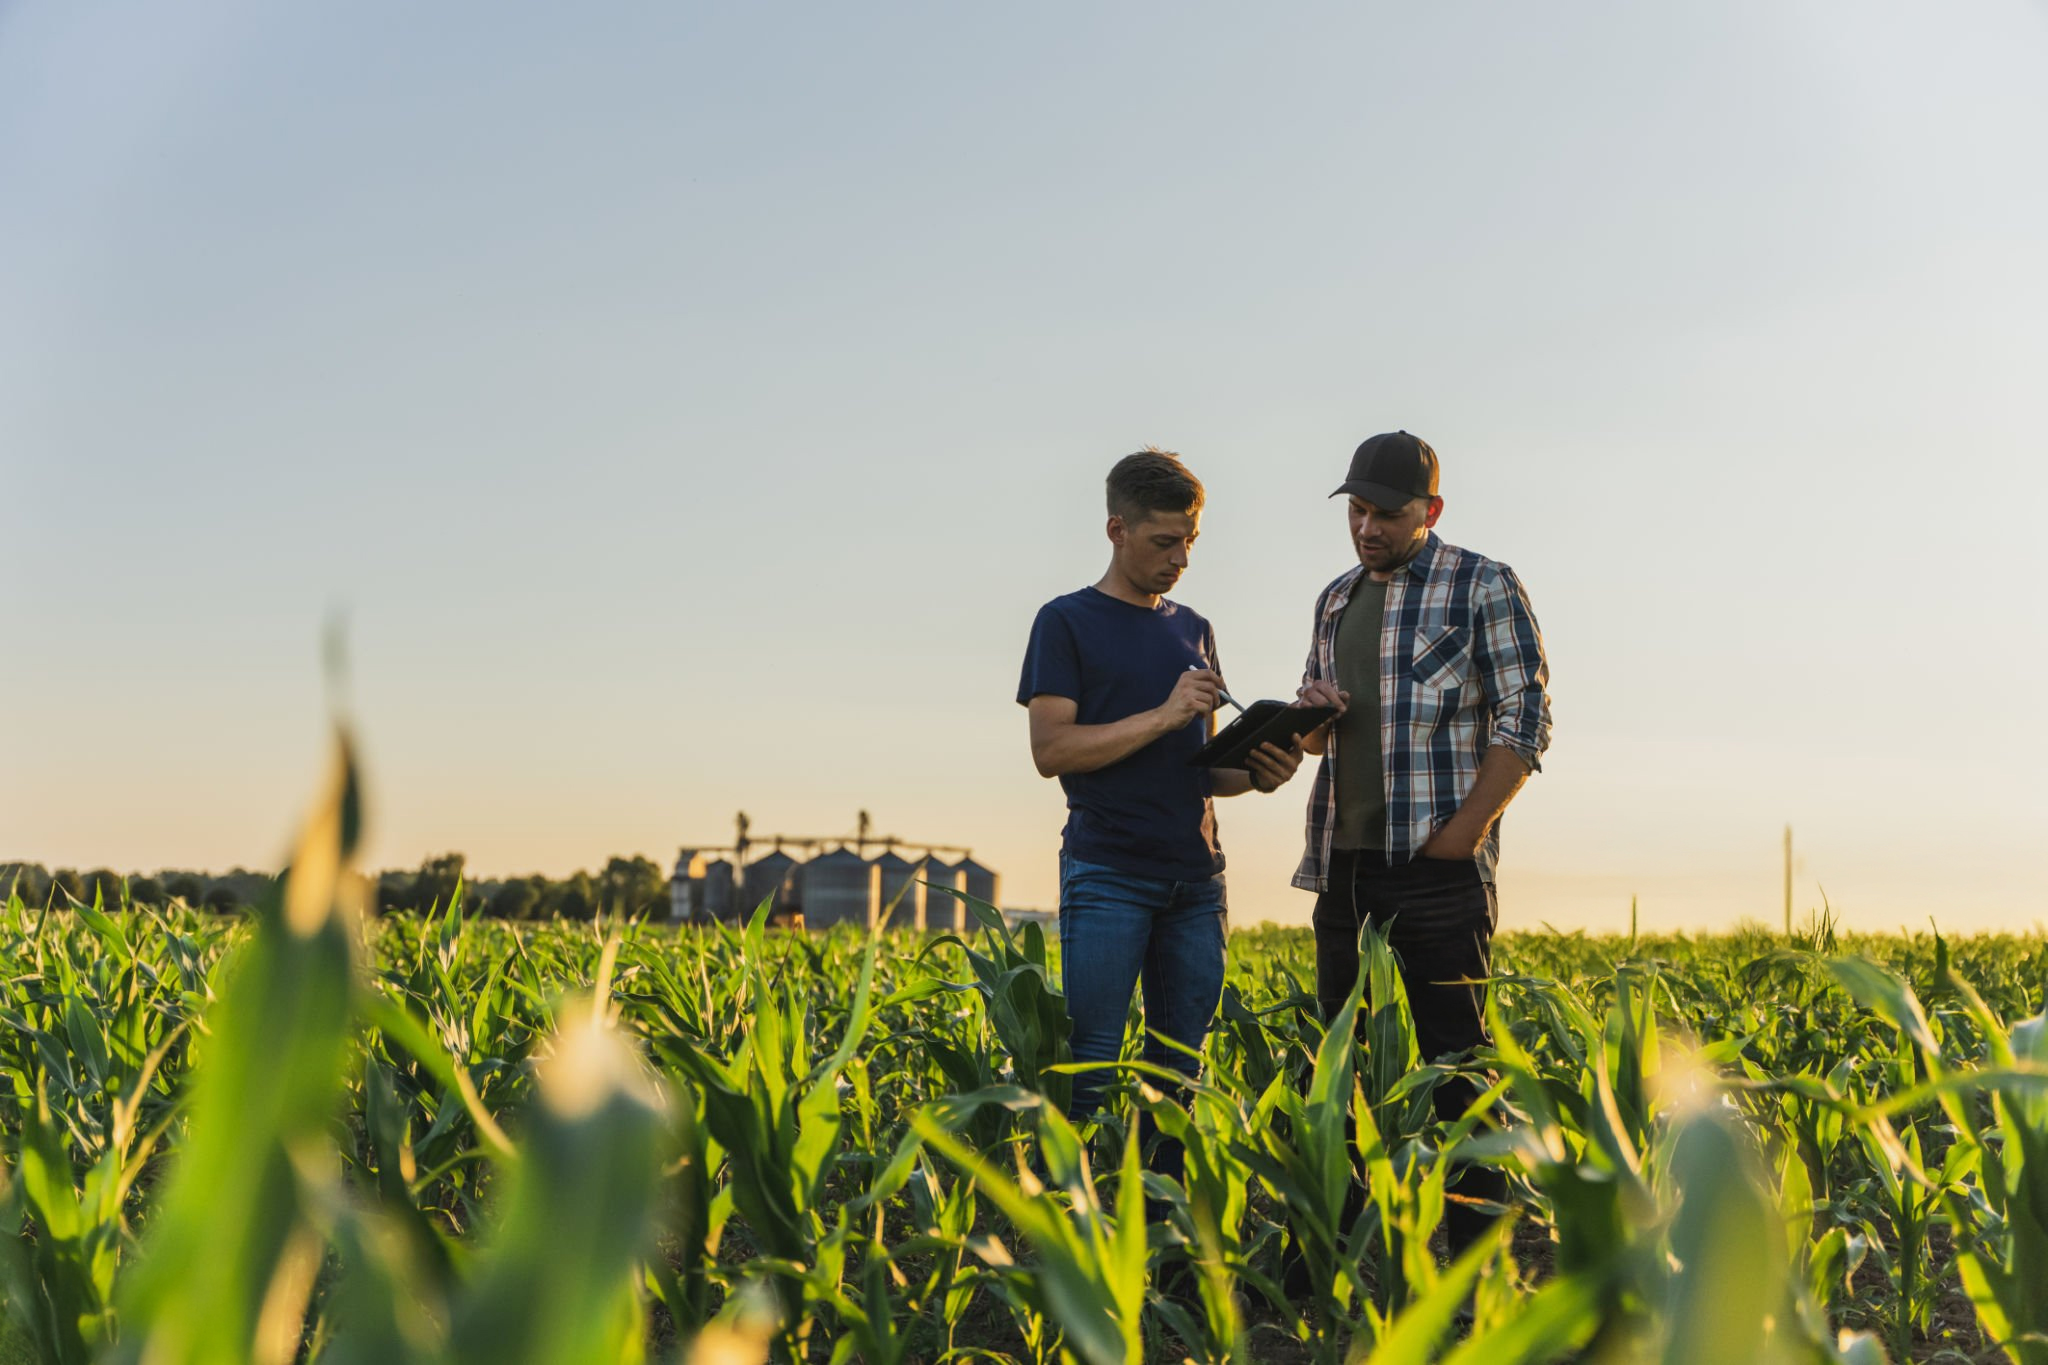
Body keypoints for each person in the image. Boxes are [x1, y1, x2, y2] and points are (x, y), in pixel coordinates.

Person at [1291, 430, 1552, 1256]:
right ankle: (1337, 1247)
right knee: (1339, 1065)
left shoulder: (1483, 583)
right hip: (1346, 864)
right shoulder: (1335, 599)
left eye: (1387, 514)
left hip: (1439, 872)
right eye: (1356, 511)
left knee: (1459, 1066)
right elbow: (1314, 743)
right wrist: (1311, 715)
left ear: (1429, 511)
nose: (1367, 528)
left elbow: (1527, 714)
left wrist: (1463, 834)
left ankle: (1479, 1253)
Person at [1017, 447, 1304, 1154]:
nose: (1180, 558)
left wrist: (1264, 770)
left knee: (1180, 1074)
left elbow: (1201, 771)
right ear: (1116, 530)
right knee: (1092, 1068)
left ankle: (1165, 1243)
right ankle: (1079, 1236)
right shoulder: (1065, 622)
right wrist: (1166, 714)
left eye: (1190, 542)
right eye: (1164, 542)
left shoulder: (1194, 627)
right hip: (1109, 874)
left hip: (1197, 882)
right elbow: (1051, 751)